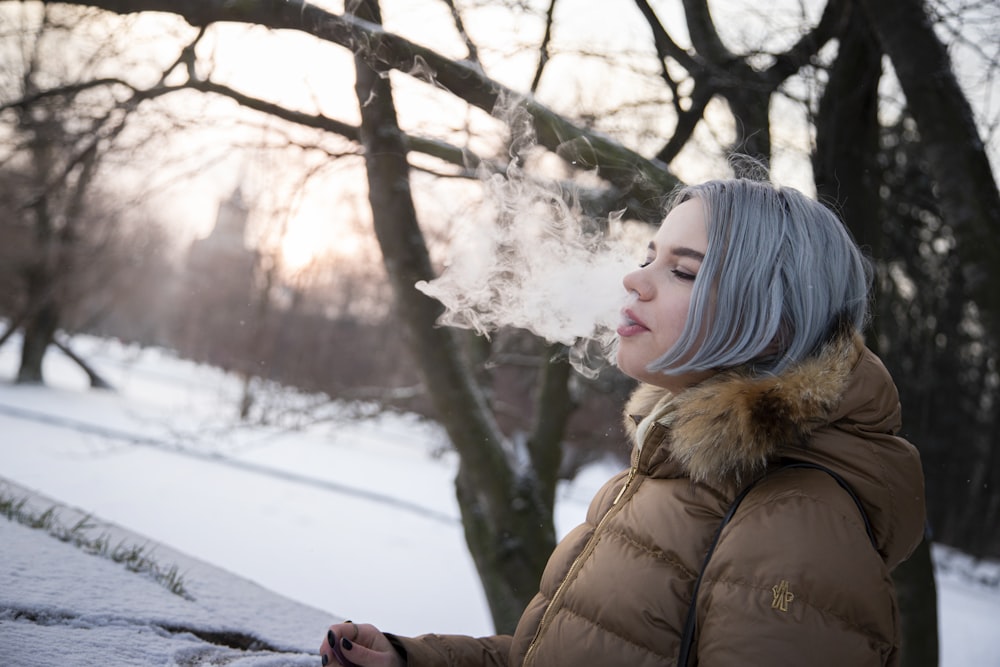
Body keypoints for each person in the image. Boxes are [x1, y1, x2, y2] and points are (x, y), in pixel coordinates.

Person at [320, 177, 926, 667]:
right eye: (648, 257)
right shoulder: (665, 475)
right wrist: (413, 661)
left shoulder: (796, 530)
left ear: (775, 325)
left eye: (683, 270)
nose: (635, 280)